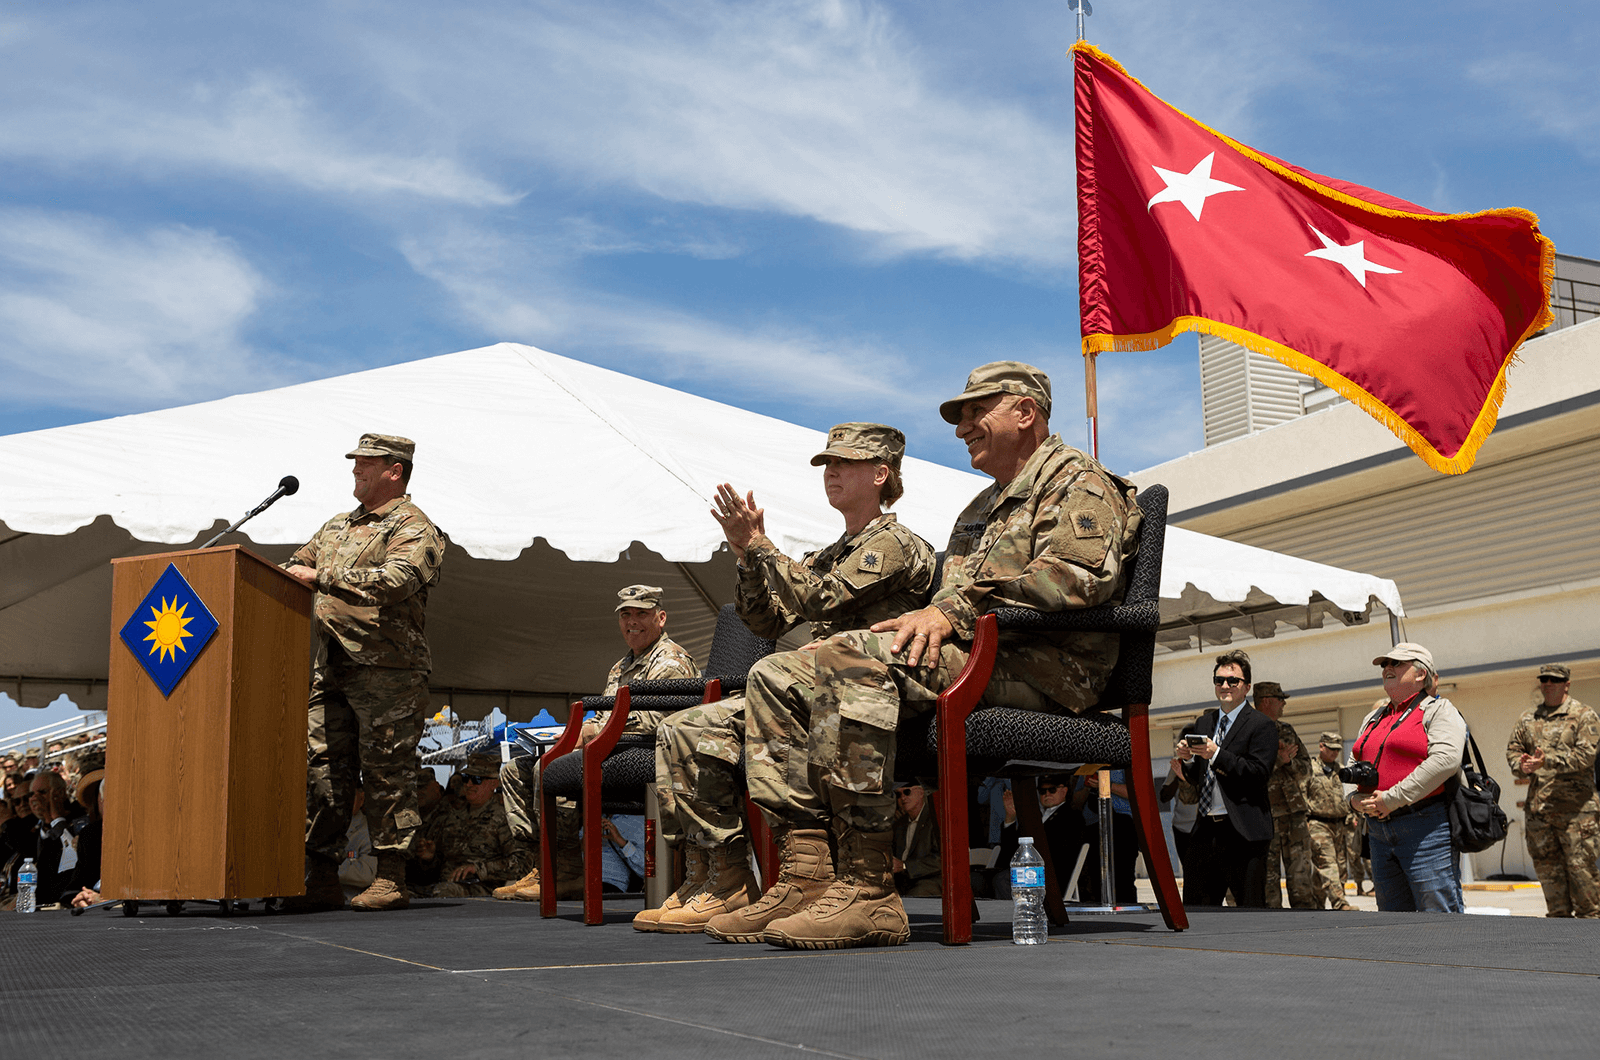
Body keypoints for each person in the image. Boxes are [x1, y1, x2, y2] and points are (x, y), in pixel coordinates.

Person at [738, 362, 1141, 949]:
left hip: (1047, 671)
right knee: (779, 672)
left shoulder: (1080, 482)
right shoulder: (980, 508)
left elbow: (1074, 580)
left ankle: (867, 887)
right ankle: (808, 873)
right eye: (963, 417)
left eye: (978, 411)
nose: (963, 428)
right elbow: (942, 599)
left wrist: (950, 614)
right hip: (978, 658)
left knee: (852, 662)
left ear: (1025, 412)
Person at [650, 423, 937, 936]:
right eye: (827, 464)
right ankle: (726, 881)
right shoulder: (831, 552)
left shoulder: (894, 543)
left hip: (867, 689)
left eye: (844, 463)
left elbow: (823, 599)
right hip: (814, 688)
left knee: (770, 673)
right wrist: (746, 557)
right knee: (687, 728)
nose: (831, 473)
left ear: (880, 474)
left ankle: (820, 875)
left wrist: (760, 546)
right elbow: (764, 620)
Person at [283, 432, 446, 912]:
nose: (356, 469)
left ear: (394, 471)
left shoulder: (414, 527)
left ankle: (391, 877)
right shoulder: (336, 527)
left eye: (366, 463)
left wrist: (324, 578)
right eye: (356, 462)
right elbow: (296, 565)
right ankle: (322, 876)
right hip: (331, 666)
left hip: (388, 671)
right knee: (324, 772)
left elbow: (397, 581)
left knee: (386, 774)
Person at [493, 585, 701, 903]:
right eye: (626, 615)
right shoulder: (622, 667)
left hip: (651, 752)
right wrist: (571, 735)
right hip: (615, 746)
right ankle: (544, 862)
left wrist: (588, 735)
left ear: (661, 618)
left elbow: (658, 721)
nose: (632, 622)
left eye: (641, 614)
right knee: (513, 770)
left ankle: (568, 871)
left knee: (550, 769)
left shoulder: (670, 662)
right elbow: (606, 715)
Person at [1349, 643, 1467, 913]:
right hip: (1378, 831)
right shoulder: (1374, 717)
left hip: (1425, 829)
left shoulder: (1439, 710)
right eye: (1384, 665)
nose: (1388, 668)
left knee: (1437, 915)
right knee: (1393, 920)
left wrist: (1391, 798)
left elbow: (1445, 760)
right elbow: (1354, 761)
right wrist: (1354, 799)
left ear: (1421, 674)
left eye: (1397, 663)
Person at [1175, 649, 1278, 908]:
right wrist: (1187, 759)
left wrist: (1217, 754)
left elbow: (1258, 774)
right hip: (1205, 829)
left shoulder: (1261, 725)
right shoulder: (1203, 723)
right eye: (1219, 680)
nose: (1225, 686)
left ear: (1247, 687)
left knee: (1249, 910)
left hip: (1243, 832)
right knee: (1196, 910)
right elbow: (1200, 776)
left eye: (1233, 681)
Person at [1506, 663, 1599, 918]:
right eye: (1544, 679)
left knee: (1586, 890)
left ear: (1566, 684)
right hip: (1540, 816)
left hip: (1576, 816)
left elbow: (1586, 756)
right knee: (1554, 895)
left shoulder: (1583, 715)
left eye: (1554, 680)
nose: (1547, 684)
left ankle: (1591, 946)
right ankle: (1560, 949)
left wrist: (1547, 761)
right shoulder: (1528, 719)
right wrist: (1521, 765)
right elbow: (1513, 750)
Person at [421, 753, 531, 898]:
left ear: (494, 784)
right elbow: (438, 865)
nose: (468, 784)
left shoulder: (504, 819)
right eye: (466, 779)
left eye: (477, 780)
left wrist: (479, 869)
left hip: (480, 889)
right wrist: (430, 858)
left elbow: (522, 864)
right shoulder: (451, 817)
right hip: (443, 886)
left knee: (442, 892)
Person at [1254, 681, 1317, 908]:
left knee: (1301, 876)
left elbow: (1306, 770)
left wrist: (1288, 763)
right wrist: (1276, 761)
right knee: (1268, 882)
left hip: (1294, 814)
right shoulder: (1248, 730)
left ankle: (1305, 922)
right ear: (1267, 701)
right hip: (1264, 816)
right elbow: (1246, 773)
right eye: (1280, 700)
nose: (1284, 705)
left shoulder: (1287, 730)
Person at [1303, 732, 1355, 910]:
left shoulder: (1341, 771)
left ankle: (1316, 904)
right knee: (1327, 863)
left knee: (1338, 868)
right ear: (1321, 746)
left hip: (1340, 824)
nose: (1334, 753)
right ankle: (1339, 903)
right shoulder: (1309, 768)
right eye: (1331, 749)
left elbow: (1347, 795)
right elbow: (1302, 795)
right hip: (1318, 824)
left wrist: (1352, 816)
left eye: (1337, 750)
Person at [891, 783, 941, 897]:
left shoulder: (936, 819)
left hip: (930, 879)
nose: (903, 798)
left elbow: (940, 860)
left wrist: (904, 866)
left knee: (915, 895)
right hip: (902, 880)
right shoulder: (899, 824)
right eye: (898, 794)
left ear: (920, 793)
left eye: (907, 792)